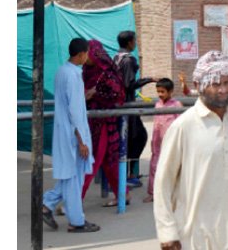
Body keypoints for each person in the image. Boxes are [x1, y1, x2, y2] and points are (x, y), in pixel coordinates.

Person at [153, 51, 228, 249]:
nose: (223, 89)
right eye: (216, 83)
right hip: (195, 234)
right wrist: (167, 232)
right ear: (198, 86)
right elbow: (163, 182)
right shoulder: (184, 126)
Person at [42, 38, 100, 233]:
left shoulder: (63, 71)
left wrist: (84, 97)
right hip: (73, 135)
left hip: (65, 131)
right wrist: (81, 141)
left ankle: (48, 204)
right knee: (74, 177)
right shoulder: (73, 76)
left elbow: (70, 102)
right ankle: (76, 221)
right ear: (81, 54)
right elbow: (74, 110)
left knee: (71, 175)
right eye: (87, 53)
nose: (88, 57)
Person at [80, 39, 127, 206]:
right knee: (109, 161)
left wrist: (96, 93)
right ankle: (123, 194)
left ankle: (75, 199)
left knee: (91, 160)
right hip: (90, 121)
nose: (84, 57)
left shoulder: (108, 72)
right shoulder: (86, 71)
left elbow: (117, 95)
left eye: (87, 53)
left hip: (104, 123)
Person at [113, 30, 156, 186]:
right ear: (130, 42)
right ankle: (129, 174)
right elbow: (128, 84)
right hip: (127, 103)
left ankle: (127, 174)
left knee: (128, 138)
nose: (136, 43)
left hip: (118, 103)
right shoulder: (128, 59)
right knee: (138, 138)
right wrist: (148, 80)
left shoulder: (116, 57)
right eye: (134, 40)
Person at [144, 78, 183, 203]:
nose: (160, 94)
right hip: (157, 142)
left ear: (170, 91)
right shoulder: (158, 104)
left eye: (163, 92)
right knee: (154, 166)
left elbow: (181, 124)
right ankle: (153, 193)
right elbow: (156, 124)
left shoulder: (176, 105)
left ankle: (172, 193)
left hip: (171, 143)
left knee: (172, 167)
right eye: (158, 92)